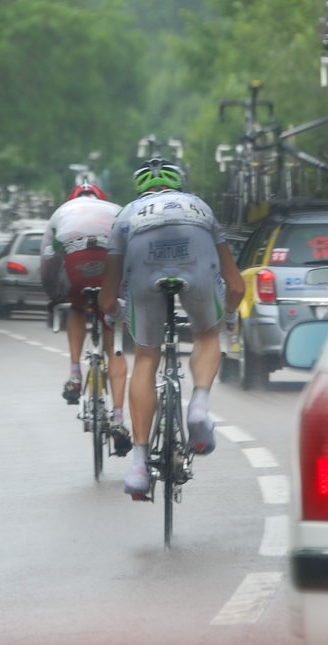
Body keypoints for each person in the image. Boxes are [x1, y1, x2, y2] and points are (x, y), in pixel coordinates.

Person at [99, 158, 245, 498]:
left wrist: (118, 313)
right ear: (178, 187)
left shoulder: (126, 215)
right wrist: (228, 314)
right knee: (207, 334)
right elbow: (235, 285)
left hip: (142, 262)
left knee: (146, 358)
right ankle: (199, 405)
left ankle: (138, 466)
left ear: (140, 191)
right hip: (197, 256)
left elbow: (107, 295)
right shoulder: (200, 207)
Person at [41, 181, 131, 454]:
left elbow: (47, 258)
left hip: (76, 262)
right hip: (108, 262)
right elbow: (132, 252)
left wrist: (54, 295)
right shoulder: (118, 210)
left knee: (77, 307)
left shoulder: (61, 212)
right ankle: (117, 418)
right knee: (110, 330)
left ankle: (75, 374)